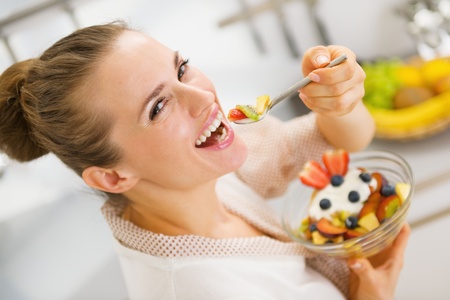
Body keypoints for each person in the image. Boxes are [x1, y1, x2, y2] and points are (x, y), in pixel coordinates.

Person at [0, 21, 409, 300]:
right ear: (111, 175)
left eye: (183, 69)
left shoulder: (192, 176)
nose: (204, 98)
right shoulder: (201, 288)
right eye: (158, 107)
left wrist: (339, 101)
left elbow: (338, 138)